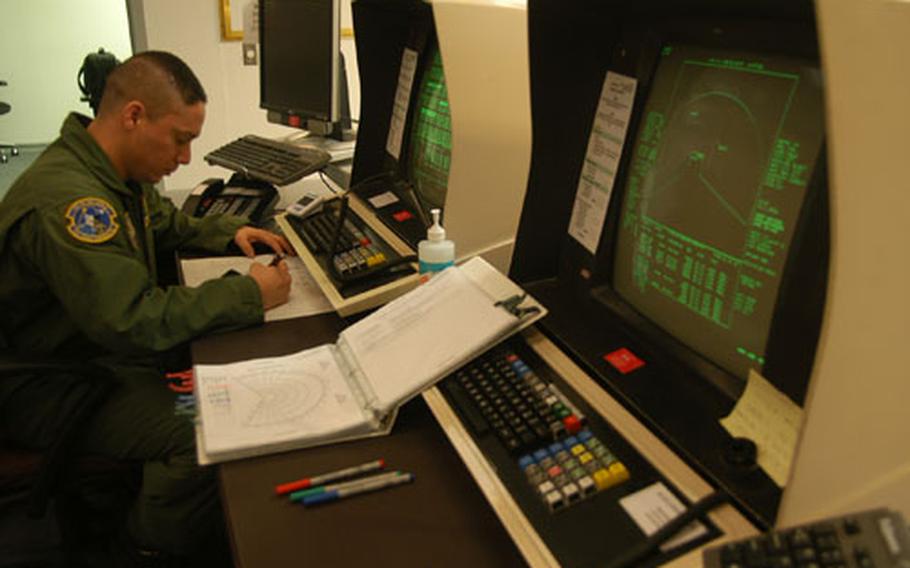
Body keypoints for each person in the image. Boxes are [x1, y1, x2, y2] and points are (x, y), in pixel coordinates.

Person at [0, 51, 293, 565]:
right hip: (45, 384)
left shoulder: (107, 168)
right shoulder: (71, 203)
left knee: (217, 383)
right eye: (180, 139)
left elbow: (162, 225)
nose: (184, 159)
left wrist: (229, 232)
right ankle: (146, 546)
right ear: (133, 115)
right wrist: (249, 294)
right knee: (205, 427)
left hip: (84, 356)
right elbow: (131, 319)